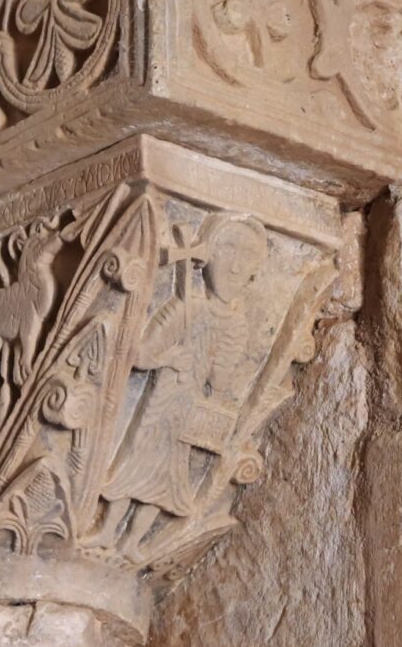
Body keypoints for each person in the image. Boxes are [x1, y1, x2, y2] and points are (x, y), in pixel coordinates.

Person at [84, 214, 266, 562]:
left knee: (166, 482)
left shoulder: (237, 326)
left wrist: (218, 353)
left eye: (247, 257)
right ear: (206, 257)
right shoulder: (184, 308)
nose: (234, 267)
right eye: (228, 250)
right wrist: (167, 357)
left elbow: (219, 381)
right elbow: (140, 355)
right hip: (160, 406)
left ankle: (133, 542)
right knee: (136, 465)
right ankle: (107, 532)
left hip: (187, 413)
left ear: (255, 272)